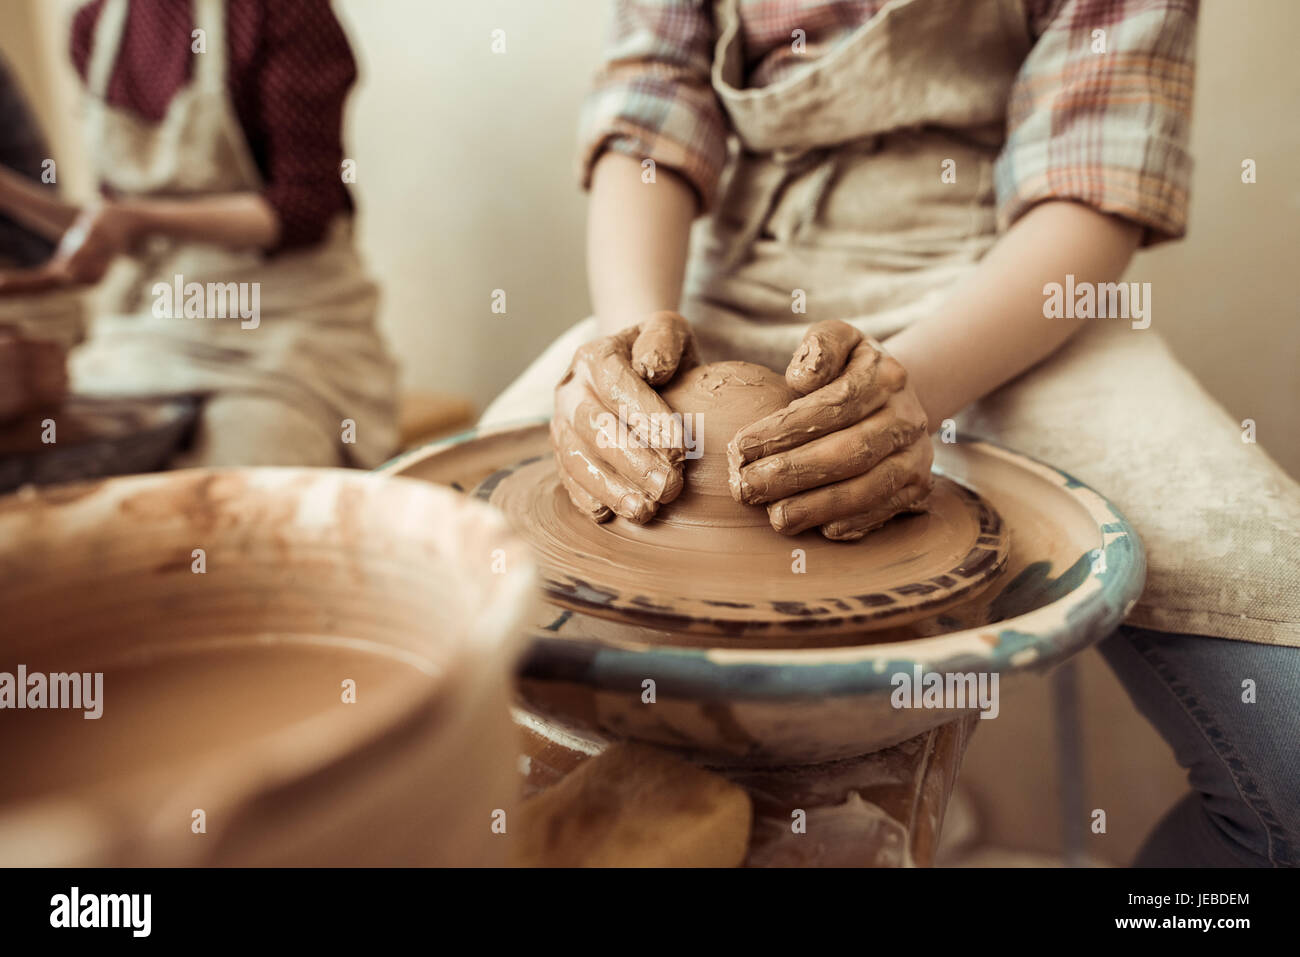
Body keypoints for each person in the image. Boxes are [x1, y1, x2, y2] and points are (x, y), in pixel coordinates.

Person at [482, 0, 1300, 866]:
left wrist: (915, 392)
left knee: (1289, 757)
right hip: (724, 264)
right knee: (426, 619)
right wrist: (638, 345)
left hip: (1008, 283)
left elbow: (1096, 173)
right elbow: (653, 104)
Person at [0, 0, 397, 467]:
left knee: (239, 498)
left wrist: (139, 220)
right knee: (69, 476)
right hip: (154, 328)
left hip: (283, 327)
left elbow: (305, 208)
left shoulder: (284, 12)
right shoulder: (95, 26)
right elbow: (113, 221)